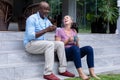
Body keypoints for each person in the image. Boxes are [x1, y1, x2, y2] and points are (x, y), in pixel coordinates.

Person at [23, 2, 75, 80]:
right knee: (50, 44)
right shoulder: (31, 19)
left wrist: (67, 30)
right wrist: (46, 30)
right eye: (45, 9)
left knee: (60, 44)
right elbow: (30, 36)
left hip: (41, 43)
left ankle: (63, 70)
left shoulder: (45, 19)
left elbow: (55, 29)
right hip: (30, 44)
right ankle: (48, 73)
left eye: (48, 10)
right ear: (39, 9)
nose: (47, 11)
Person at [55, 15, 101, 80]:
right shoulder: (59, 30)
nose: (65, 18)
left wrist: (77, 41)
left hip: (74, 52)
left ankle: (92, 73)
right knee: (74, 48)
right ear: (63, 21)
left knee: (89, 48)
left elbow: (77, 47)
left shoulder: (74, 31)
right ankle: (81, 74)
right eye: (64, 18)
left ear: (71, 21)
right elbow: (57, 45)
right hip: (64, 53)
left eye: (67, 18)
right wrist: (68, 40)